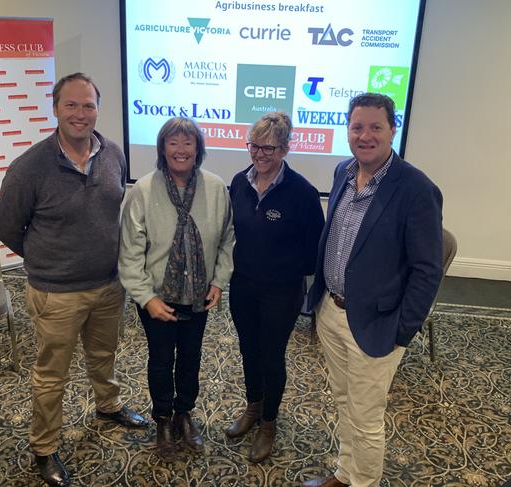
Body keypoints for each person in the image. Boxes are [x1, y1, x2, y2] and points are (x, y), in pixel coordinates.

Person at [0, 73, 148, 487]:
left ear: (98, 109)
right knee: (52, 376)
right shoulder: (29, 168)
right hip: (56, 292)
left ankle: (108, 405)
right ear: (55, 107)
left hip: (107, 284)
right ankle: (44, 447)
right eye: (72, 105)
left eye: (88, 105)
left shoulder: (114, 153)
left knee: (104, 356)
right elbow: (8, 228)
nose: (81, 114)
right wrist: (51, 260)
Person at [302, 93, 443, 487]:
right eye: (357, 127)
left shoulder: (416, 189)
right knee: (344, 402)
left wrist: (402, 331)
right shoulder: (343, 172)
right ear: (347, 131)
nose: (365, 136)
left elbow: (427, 271)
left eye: (375, 127)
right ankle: (346, 474)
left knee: (366, 418)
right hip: (331, 311)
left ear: (392, 130)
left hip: (376, 323)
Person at [119, 117, 235, 461]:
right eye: (173, 143)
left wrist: (218, 281)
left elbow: (228, 240)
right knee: (159, 361)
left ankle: (185, 414)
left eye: (188, 143)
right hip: (156, 298)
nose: (180, 150)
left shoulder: (216, 188)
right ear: (162, 148)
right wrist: (147, 298)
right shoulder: (143, 189)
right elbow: (129, 252)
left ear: (198, 149)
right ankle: (163, 421)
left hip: (198, 296)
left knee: (190, 359)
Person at [226, 112, 324, 462]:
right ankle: (253, 407)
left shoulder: (302, 192)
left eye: (268, 147)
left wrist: (287, 270)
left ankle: (269, 423)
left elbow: (316, 249)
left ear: (285, 148)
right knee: (248, 351)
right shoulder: (239, 182)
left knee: (271, 356)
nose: (260, 154)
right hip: (243, 287)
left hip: (281, 292)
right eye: (255, 146)